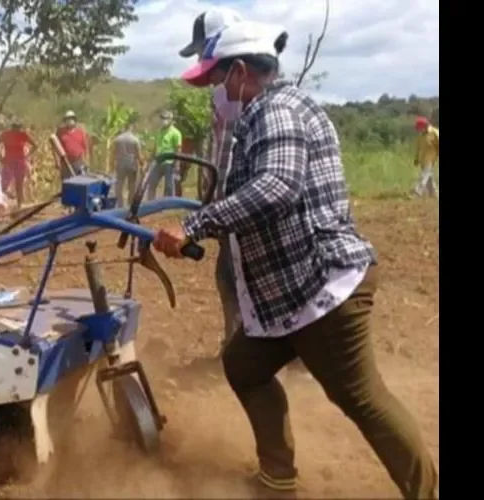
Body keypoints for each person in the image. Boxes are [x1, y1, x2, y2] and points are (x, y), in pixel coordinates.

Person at [152, 20, 438, 499]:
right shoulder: (264, 115)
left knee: (363, 399)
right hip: (290, 291)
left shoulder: (276, 110)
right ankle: (277, 478)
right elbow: (251, 193)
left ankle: (425, 492)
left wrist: (196, 227)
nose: (215, 93)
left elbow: (277, 187)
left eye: (217, 80)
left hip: (321, 287)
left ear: (241, 72)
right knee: (244, 365)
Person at [178, 6, 244, 355]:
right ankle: (236, 343)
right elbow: (221, 148)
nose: (203, 61)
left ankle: (261, 349)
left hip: (248, 197)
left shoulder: (258, 89)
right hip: (226, 195)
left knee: (242, 274)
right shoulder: (218, 95)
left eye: (204, 49)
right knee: (228, 276)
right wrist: (210, 191)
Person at [0, 118, 37, 209]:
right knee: (4, 183)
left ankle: (19, 205)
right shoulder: (5, 134)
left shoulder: (23, 135)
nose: (17, 129)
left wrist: (27, 156)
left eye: (18, 127)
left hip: (20, 161)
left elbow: (35, 145)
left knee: (19, 183)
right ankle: (0, 204)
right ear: (12, 126)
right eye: (15, 127)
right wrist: (0, 157)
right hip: (8, 161)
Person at [146, 110, 183, 200]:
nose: (163, 120)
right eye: (162, 118)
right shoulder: (159, 132)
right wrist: (150, 160)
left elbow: (178, 149)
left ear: (170, 120)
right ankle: (150, 203)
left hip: (169, 163)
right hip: (158, 161)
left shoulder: (176, 133)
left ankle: (169, 205)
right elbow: (155, 147)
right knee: (152, 183)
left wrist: (177, 164)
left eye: (165, 118)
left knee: (169, 186)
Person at [112, 120, 144, 208]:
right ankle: (130, 204)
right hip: (131, 165)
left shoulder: (118, 139)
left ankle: (120, 204)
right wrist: (142, 165)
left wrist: (112, 164)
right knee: (132, 186)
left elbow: (113, 153)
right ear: (131, 128)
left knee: (119, 185)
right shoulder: (135, 139)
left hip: (120, 164)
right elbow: (138, 154)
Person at [412, 116, 439, 198]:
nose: (418, 130)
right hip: (422, 160)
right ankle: (434, 195)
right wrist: (416, 158)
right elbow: (418, 147)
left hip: (430, 159)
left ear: (424, 126)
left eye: (419, 128)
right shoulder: (421, 135)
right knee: (429, 178)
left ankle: (417, 192)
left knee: (423, 176)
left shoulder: (434, 132)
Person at [56, 110, 89, 178]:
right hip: (66, 163)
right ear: (65, 121)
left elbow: (86, 147)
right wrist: (57, 161)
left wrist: (86, 160)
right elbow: (55, 148)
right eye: (67, 119)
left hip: (78, 162)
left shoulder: (80, 132)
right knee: (67, 184)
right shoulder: (61, 133)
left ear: (74, 120)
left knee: (80, 181)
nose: (69, 121)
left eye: (71, 119)